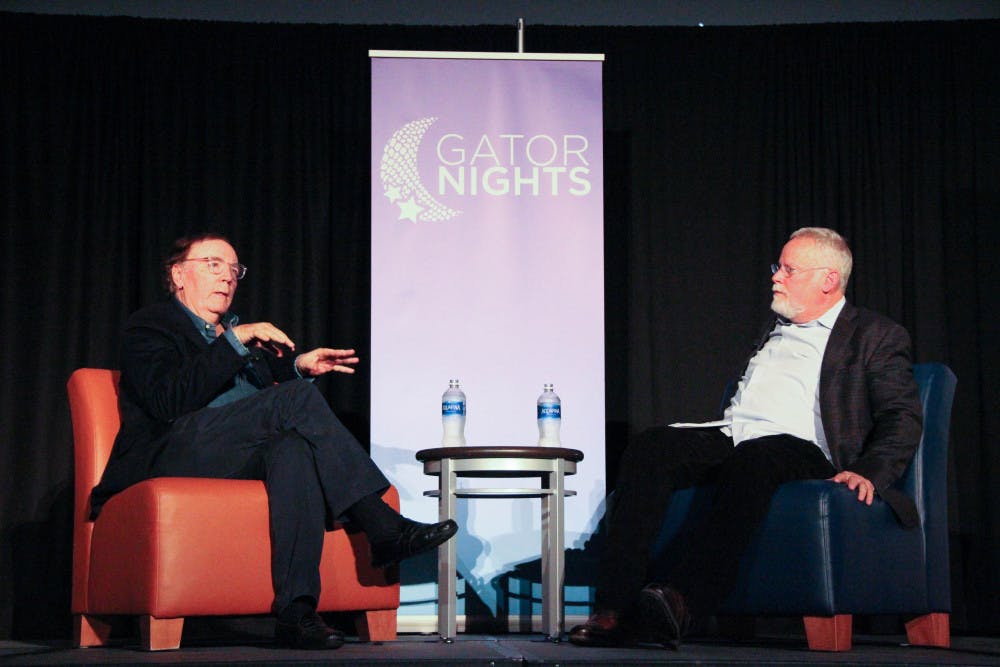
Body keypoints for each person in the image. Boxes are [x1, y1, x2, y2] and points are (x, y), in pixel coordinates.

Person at [91, 233, 458, 650]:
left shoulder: (238, 338)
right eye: (213, 265)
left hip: (234, 452)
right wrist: (235, 342)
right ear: (178, 274)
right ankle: (380, 524)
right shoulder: (152, 326)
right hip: (172, 450)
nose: (227, 277)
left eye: (234, 270)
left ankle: (296, 613)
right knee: (295, 402)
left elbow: (262, 395)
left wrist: (299, 366)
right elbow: (167, 400)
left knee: (293, 451)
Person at [569, 227, 922, 648]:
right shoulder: (774, 328)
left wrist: (869, 471)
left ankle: (682, 601)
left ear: (829, 279)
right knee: (653, 447)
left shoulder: (874, 334)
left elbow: (901, 415)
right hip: (736, 434)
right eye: (778, 267)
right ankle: (614, 607)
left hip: (807, 448)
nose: (776, 277)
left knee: (757, 456)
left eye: (789, 269)